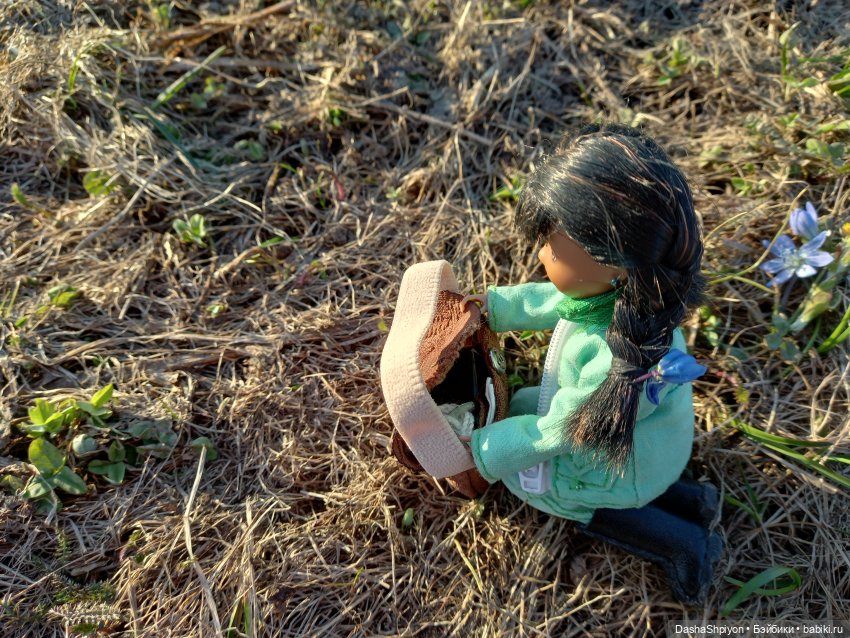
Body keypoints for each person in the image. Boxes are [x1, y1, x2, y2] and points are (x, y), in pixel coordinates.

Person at [459, 122, 722, 605]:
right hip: (655, 443)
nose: (540, 254)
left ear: (613, 264)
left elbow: (555, 433)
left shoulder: (617, 361)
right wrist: (493, 306)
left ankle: (686, 547)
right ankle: (695, 500)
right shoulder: (639, 305)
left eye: (550, 247)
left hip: (619, 466)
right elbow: (556, 300)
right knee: (528, 408)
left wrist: (479, 450)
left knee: (565, 493)